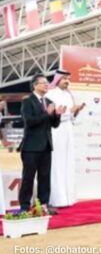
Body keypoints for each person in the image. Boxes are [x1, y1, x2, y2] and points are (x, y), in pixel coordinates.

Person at [19, 74, 64, 214]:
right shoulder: (28, 101)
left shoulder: (49, 101)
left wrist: (57, 115)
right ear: (35, 85)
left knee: (45, 177)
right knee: (28, 178)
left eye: (47, 82)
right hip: (31, 147)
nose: (46, 85)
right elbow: (30, 122)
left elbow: (54, 125)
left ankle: (43, 205)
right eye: (43, 83)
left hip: (46, 146)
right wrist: (47, 113)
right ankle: (25, 207)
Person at [46, 70, 85, 208]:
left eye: (68, 79)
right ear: (57, 80)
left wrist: (77, 109)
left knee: (68, 162)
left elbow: (72, 116)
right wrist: (70, 110)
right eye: (64, 79)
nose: (67, 81)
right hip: (56, 130)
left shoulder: (69, 95)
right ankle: (56, 199)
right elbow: (52, 114)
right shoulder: (50, 94)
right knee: (56, 163)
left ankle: (68, 198)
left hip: (68, 129)